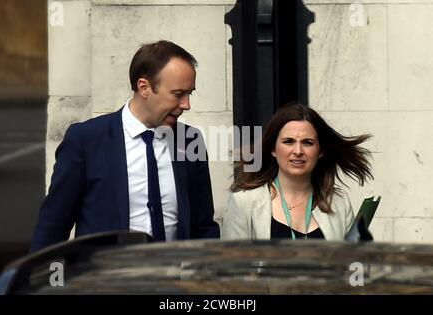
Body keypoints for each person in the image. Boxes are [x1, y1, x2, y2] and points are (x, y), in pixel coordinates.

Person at [31, 40, 219, 252]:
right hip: (107, 281)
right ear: (144, 87)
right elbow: (54, 226)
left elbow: (203, 226)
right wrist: (49, 282)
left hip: (174, 280)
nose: (186, 105)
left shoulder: (189, 140)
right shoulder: (86, 140)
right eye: (178, 94)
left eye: (189, 94)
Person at [221, 102, 373, 240]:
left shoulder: (339, 203)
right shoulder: (244, 203)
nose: (298, 151)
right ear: (273, 149)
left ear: (320, 151)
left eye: (308, 142)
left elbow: (352, 265)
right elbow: (229, 267)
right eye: (289, 142)